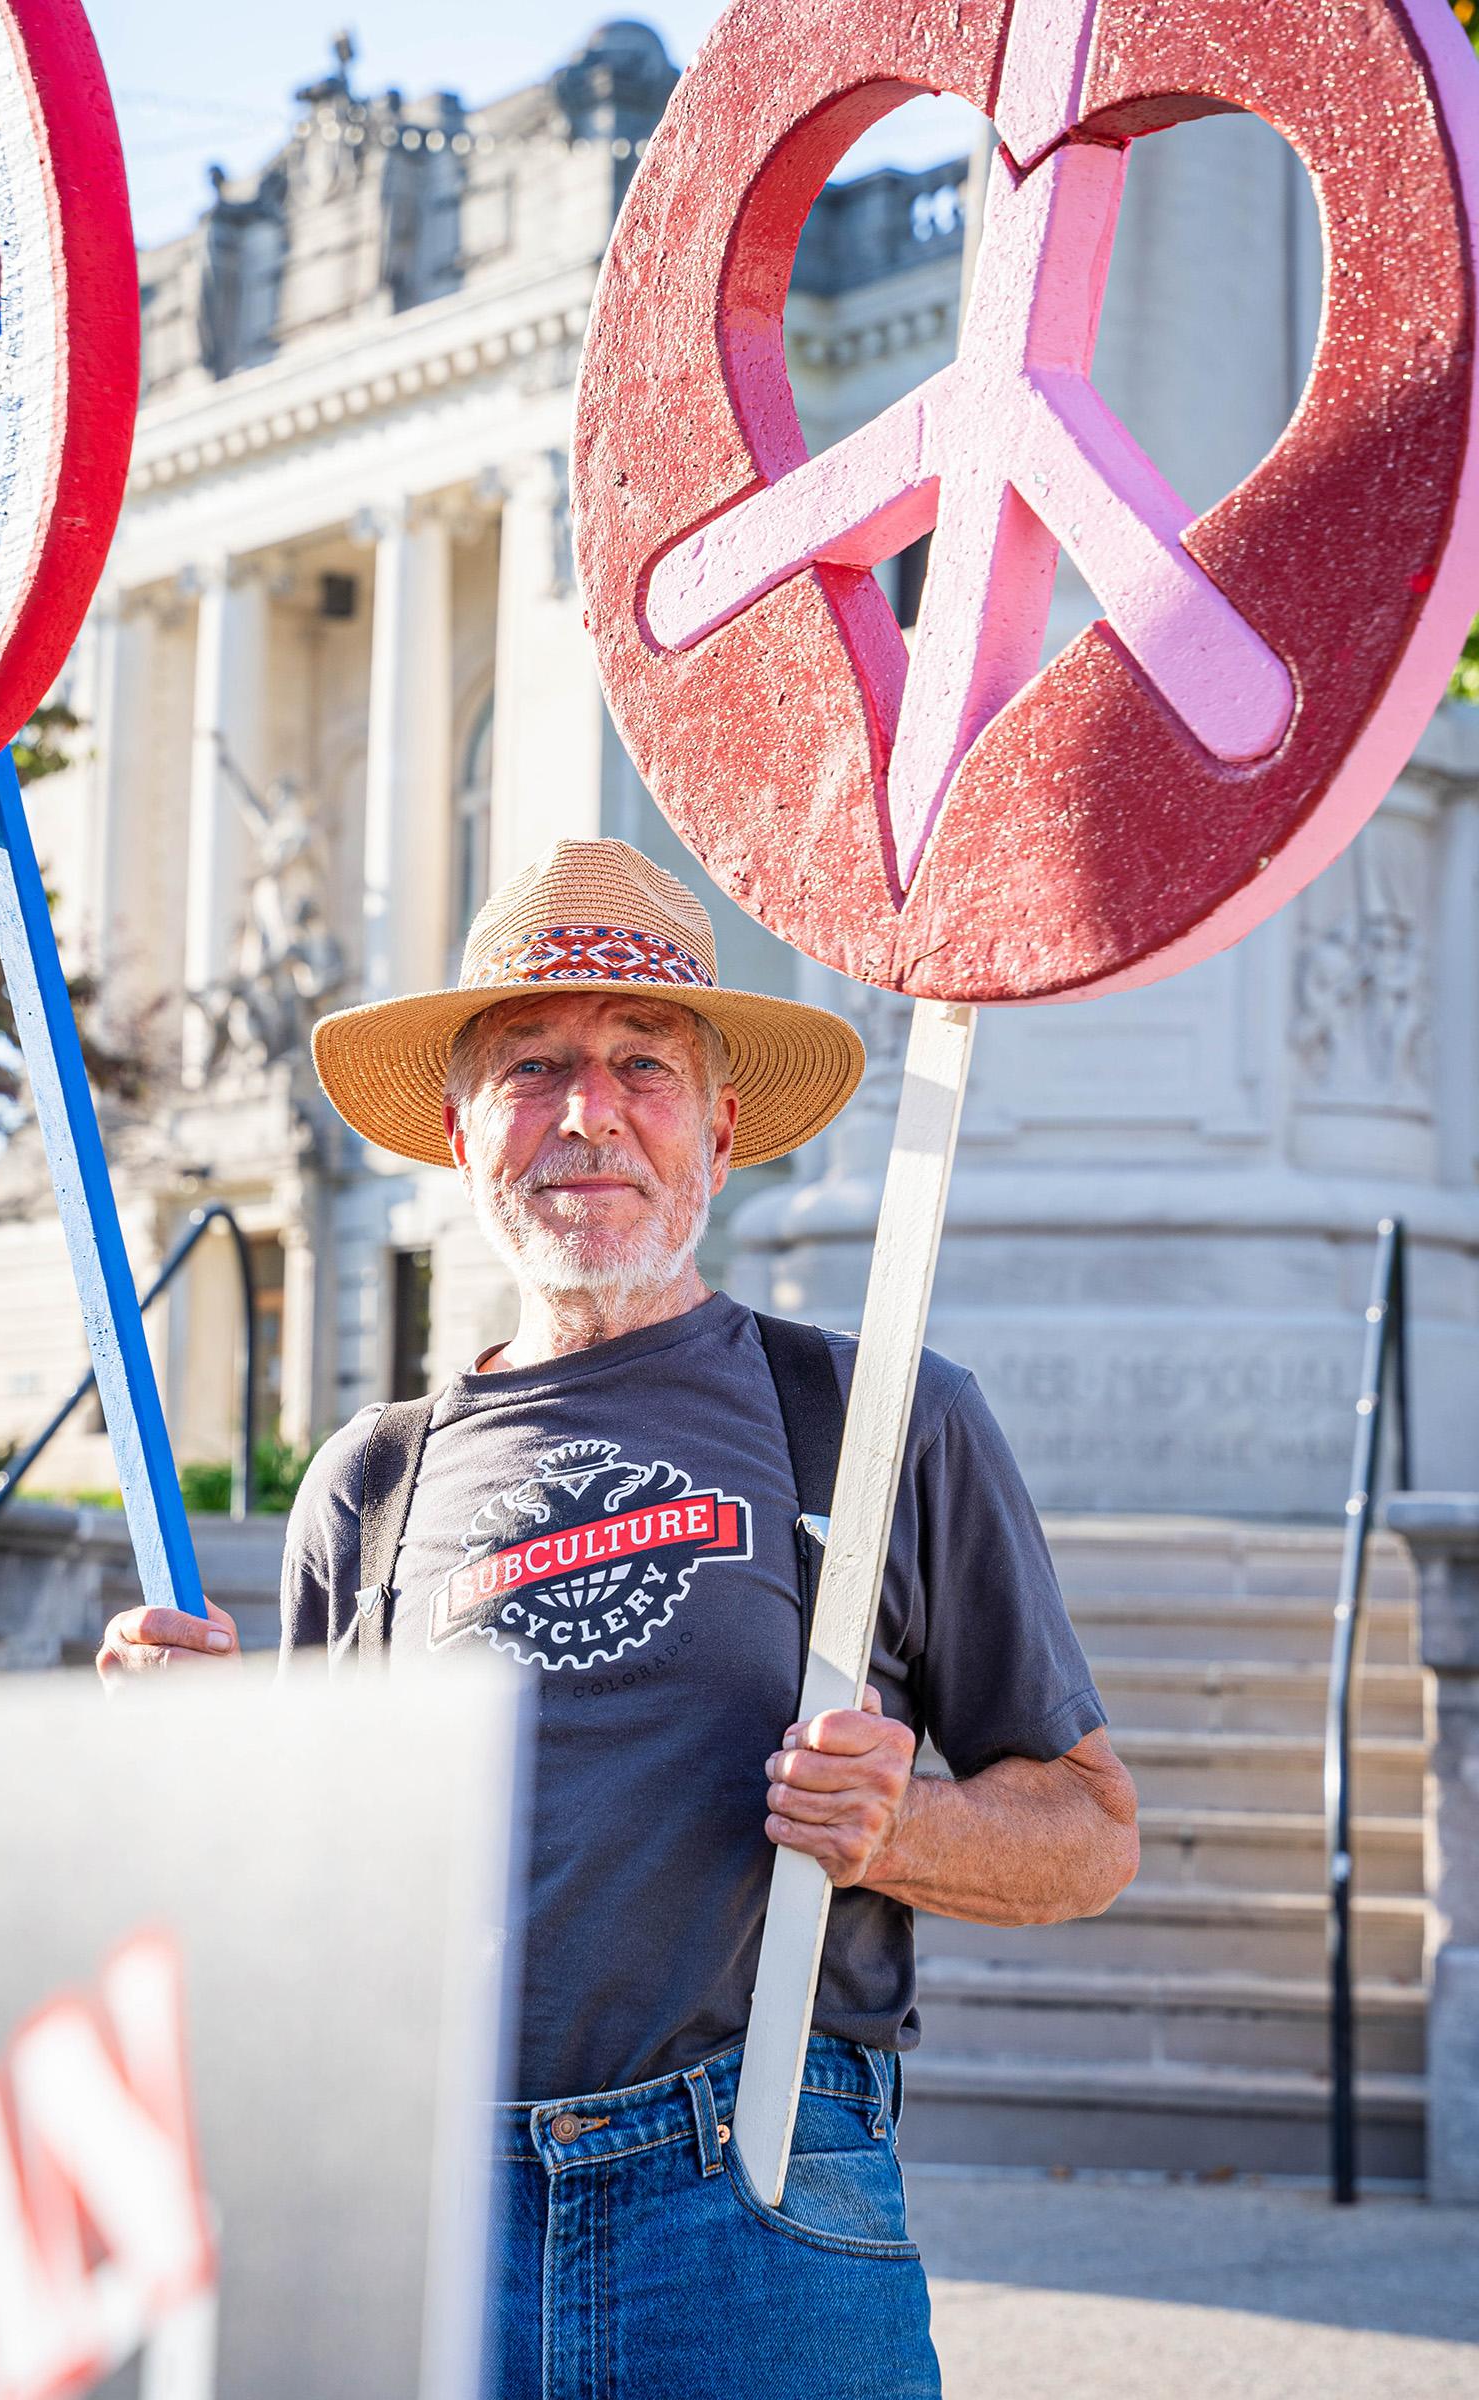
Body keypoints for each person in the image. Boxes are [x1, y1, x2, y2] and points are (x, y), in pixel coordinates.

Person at [98, 837, 1138, 2399]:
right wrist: (174, 1772)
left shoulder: (877, 1422)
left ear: (720, 1125)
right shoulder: (367, 1483)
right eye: (532, 1065)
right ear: (460, 1131)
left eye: (643, 1061)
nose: (588, 1111)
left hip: (762, 2206)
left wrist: (898, 1828)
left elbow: (1095, 1831)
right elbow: (300, 1926)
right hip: (432, 2217)